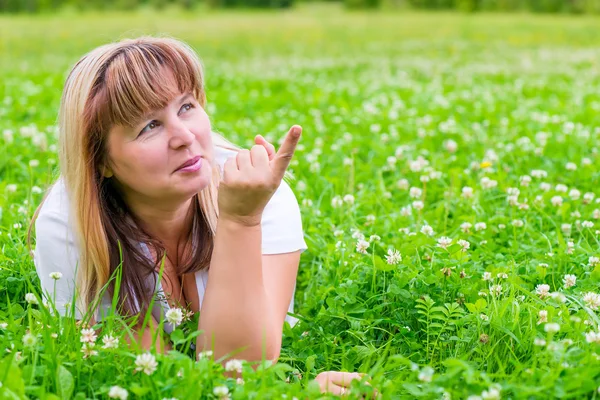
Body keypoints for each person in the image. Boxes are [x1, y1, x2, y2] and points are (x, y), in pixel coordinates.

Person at [29, 36, 374, 397]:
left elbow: (242, 369)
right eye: (149, 126)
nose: (183, 136)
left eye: (187, 107)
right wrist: (299, 390)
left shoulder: (260, 194)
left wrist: (242, 220)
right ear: (100, 161)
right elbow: (156, 380)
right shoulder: (70, 225)